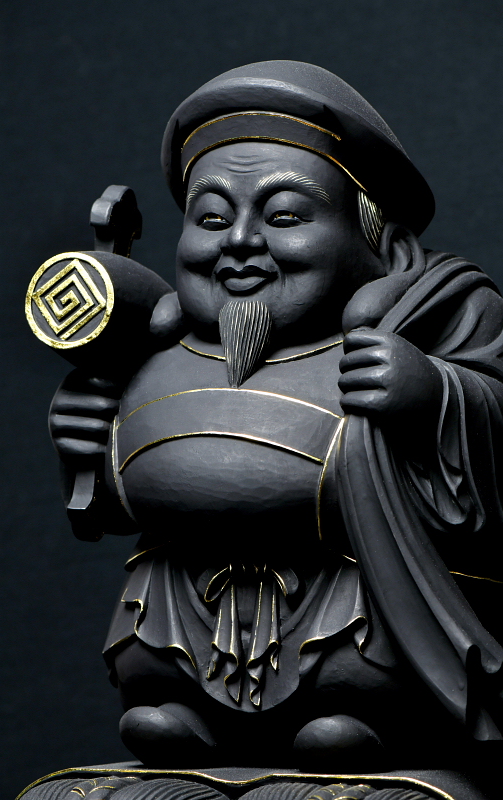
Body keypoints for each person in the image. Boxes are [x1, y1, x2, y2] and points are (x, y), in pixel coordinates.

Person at [49, 61, 503, 770]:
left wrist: (433, 393)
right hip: (188, 591)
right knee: (156, 659)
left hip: (345, 589)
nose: (238, 241)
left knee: (352, 676)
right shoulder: (160, 346)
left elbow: (495, 429)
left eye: (284, 216)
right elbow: (105, 504)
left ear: (386, 250)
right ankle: (186, 715)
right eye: (210, 218)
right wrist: (86, 442)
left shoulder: (437, 316)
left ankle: (354, 719)